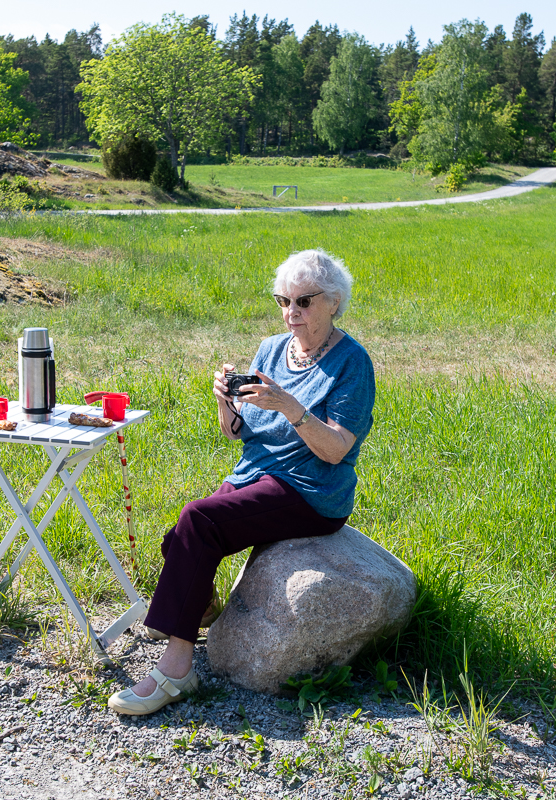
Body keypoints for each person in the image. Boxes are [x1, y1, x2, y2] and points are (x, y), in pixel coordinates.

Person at [108, 249, 376, 715]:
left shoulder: (353, 363)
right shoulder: (273, 348)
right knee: (179, 539)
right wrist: (225, 404)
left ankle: (176, 670)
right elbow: (239, 434)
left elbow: (335, 450)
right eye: (283, 302)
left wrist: (291, 406)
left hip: (311, 490)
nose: (291, 314)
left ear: (334, 303)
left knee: (198, 519)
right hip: (257, 474)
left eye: (303, 302)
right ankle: (201, 612)